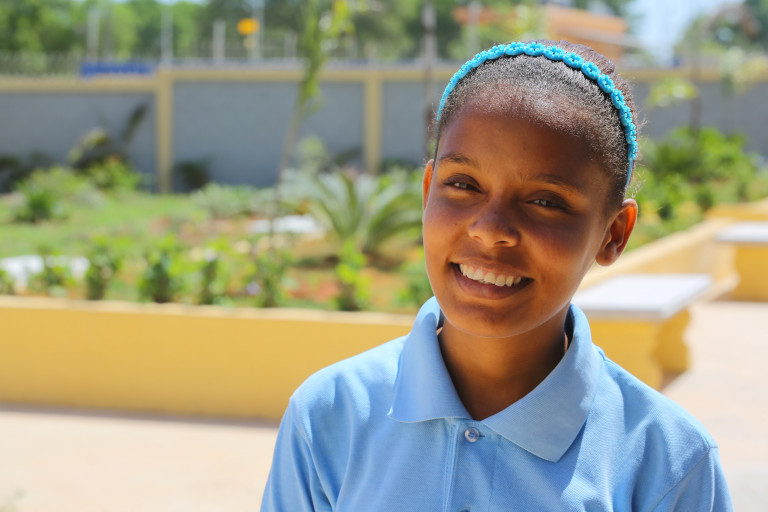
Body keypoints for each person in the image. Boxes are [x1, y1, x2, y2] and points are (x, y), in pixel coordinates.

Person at [261, 40, 733, 511]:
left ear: (614, 234)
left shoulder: (668, 464)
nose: (490, 230)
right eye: (463, 185)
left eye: (545, 201)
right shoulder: (330, 415)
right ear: (428, 192)